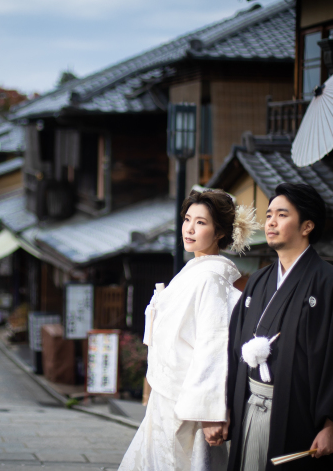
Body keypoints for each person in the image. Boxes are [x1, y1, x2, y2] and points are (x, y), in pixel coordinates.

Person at [226, 183, 333, 471]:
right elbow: (234, 347)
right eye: (269, 214)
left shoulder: (329, 283)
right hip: (250, 405)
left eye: (282, 215)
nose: (271, 221)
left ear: (307, 225)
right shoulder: (258, 282)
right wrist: (225, 408)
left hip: (300, 415)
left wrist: (332, 427)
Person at [119, 189, 260, 471]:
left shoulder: (210, 278)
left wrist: (211, 413)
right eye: (187, 219)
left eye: (201, 222)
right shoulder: (194, 271)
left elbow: (213, 346)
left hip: (187, 403)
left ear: (220, 232)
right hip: (169, 395)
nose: (190, 229)